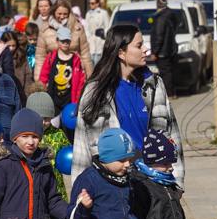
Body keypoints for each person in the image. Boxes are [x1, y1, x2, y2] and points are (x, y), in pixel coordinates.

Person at [73, 23, 184, 189]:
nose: (146, 49)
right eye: (139, 45)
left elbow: (172, 133)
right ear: (121, 53)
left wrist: (177, 181)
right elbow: (82, 145)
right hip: (113, 184)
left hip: (154, 180)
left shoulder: (154, 85)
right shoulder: (95, 91)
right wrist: (79, 190)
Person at [25, 91, 70, 200]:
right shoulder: (25, 135)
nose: (44, 122)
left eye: (47, 118)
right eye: (40, 118)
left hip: (56, 186)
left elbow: (67, 153)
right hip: (33, 188)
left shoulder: (58, 134)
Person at [34, 0, 92, 81]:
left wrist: (89, 77)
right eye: (59, 13)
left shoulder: (77, 28)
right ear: (54, 12)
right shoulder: (45, 29)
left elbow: (85, 54)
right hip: (54, 74)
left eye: (65, 14)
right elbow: (40, 57)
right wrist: (38, 80)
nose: (62, 17)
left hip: (76, 73)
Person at [40, 27, 87, 118]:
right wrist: (43, 95)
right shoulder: (51, 57)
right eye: (63, 41)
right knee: (53, 125)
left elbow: (81, 82)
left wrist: (77, 100)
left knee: (68, 127)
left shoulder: (76, 60)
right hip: (53, 99)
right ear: (57, 40)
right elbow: (43, 76)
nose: (65, 43)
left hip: (70, 100)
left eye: (67, 41)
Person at [150, 0, 178, 99]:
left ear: (157, 6)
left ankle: (169, 93)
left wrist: (154, 52)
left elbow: (158, 36)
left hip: (162, 51)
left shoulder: (161, 18)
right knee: (169, 72)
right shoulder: (170, 15)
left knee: (165, 73)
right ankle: (172, 92)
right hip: (170, 49)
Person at [0, 30, 33, 105]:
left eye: (13, 46)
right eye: (8, 46)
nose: (11, 48)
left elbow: (28, 75)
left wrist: (27, 94)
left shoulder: (21, 57)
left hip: (21, 95)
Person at [86, 0, 110, 65]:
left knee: (100, 59)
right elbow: (86, 28)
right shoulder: (88, 14)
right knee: (92, 59)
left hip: (100, 38)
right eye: (89, 3)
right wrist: (88, 39)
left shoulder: (103, 13)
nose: (91, 5)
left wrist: (103, 32)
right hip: (91, 38)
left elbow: (107, 27)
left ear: (97, 4)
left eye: (92, 3)